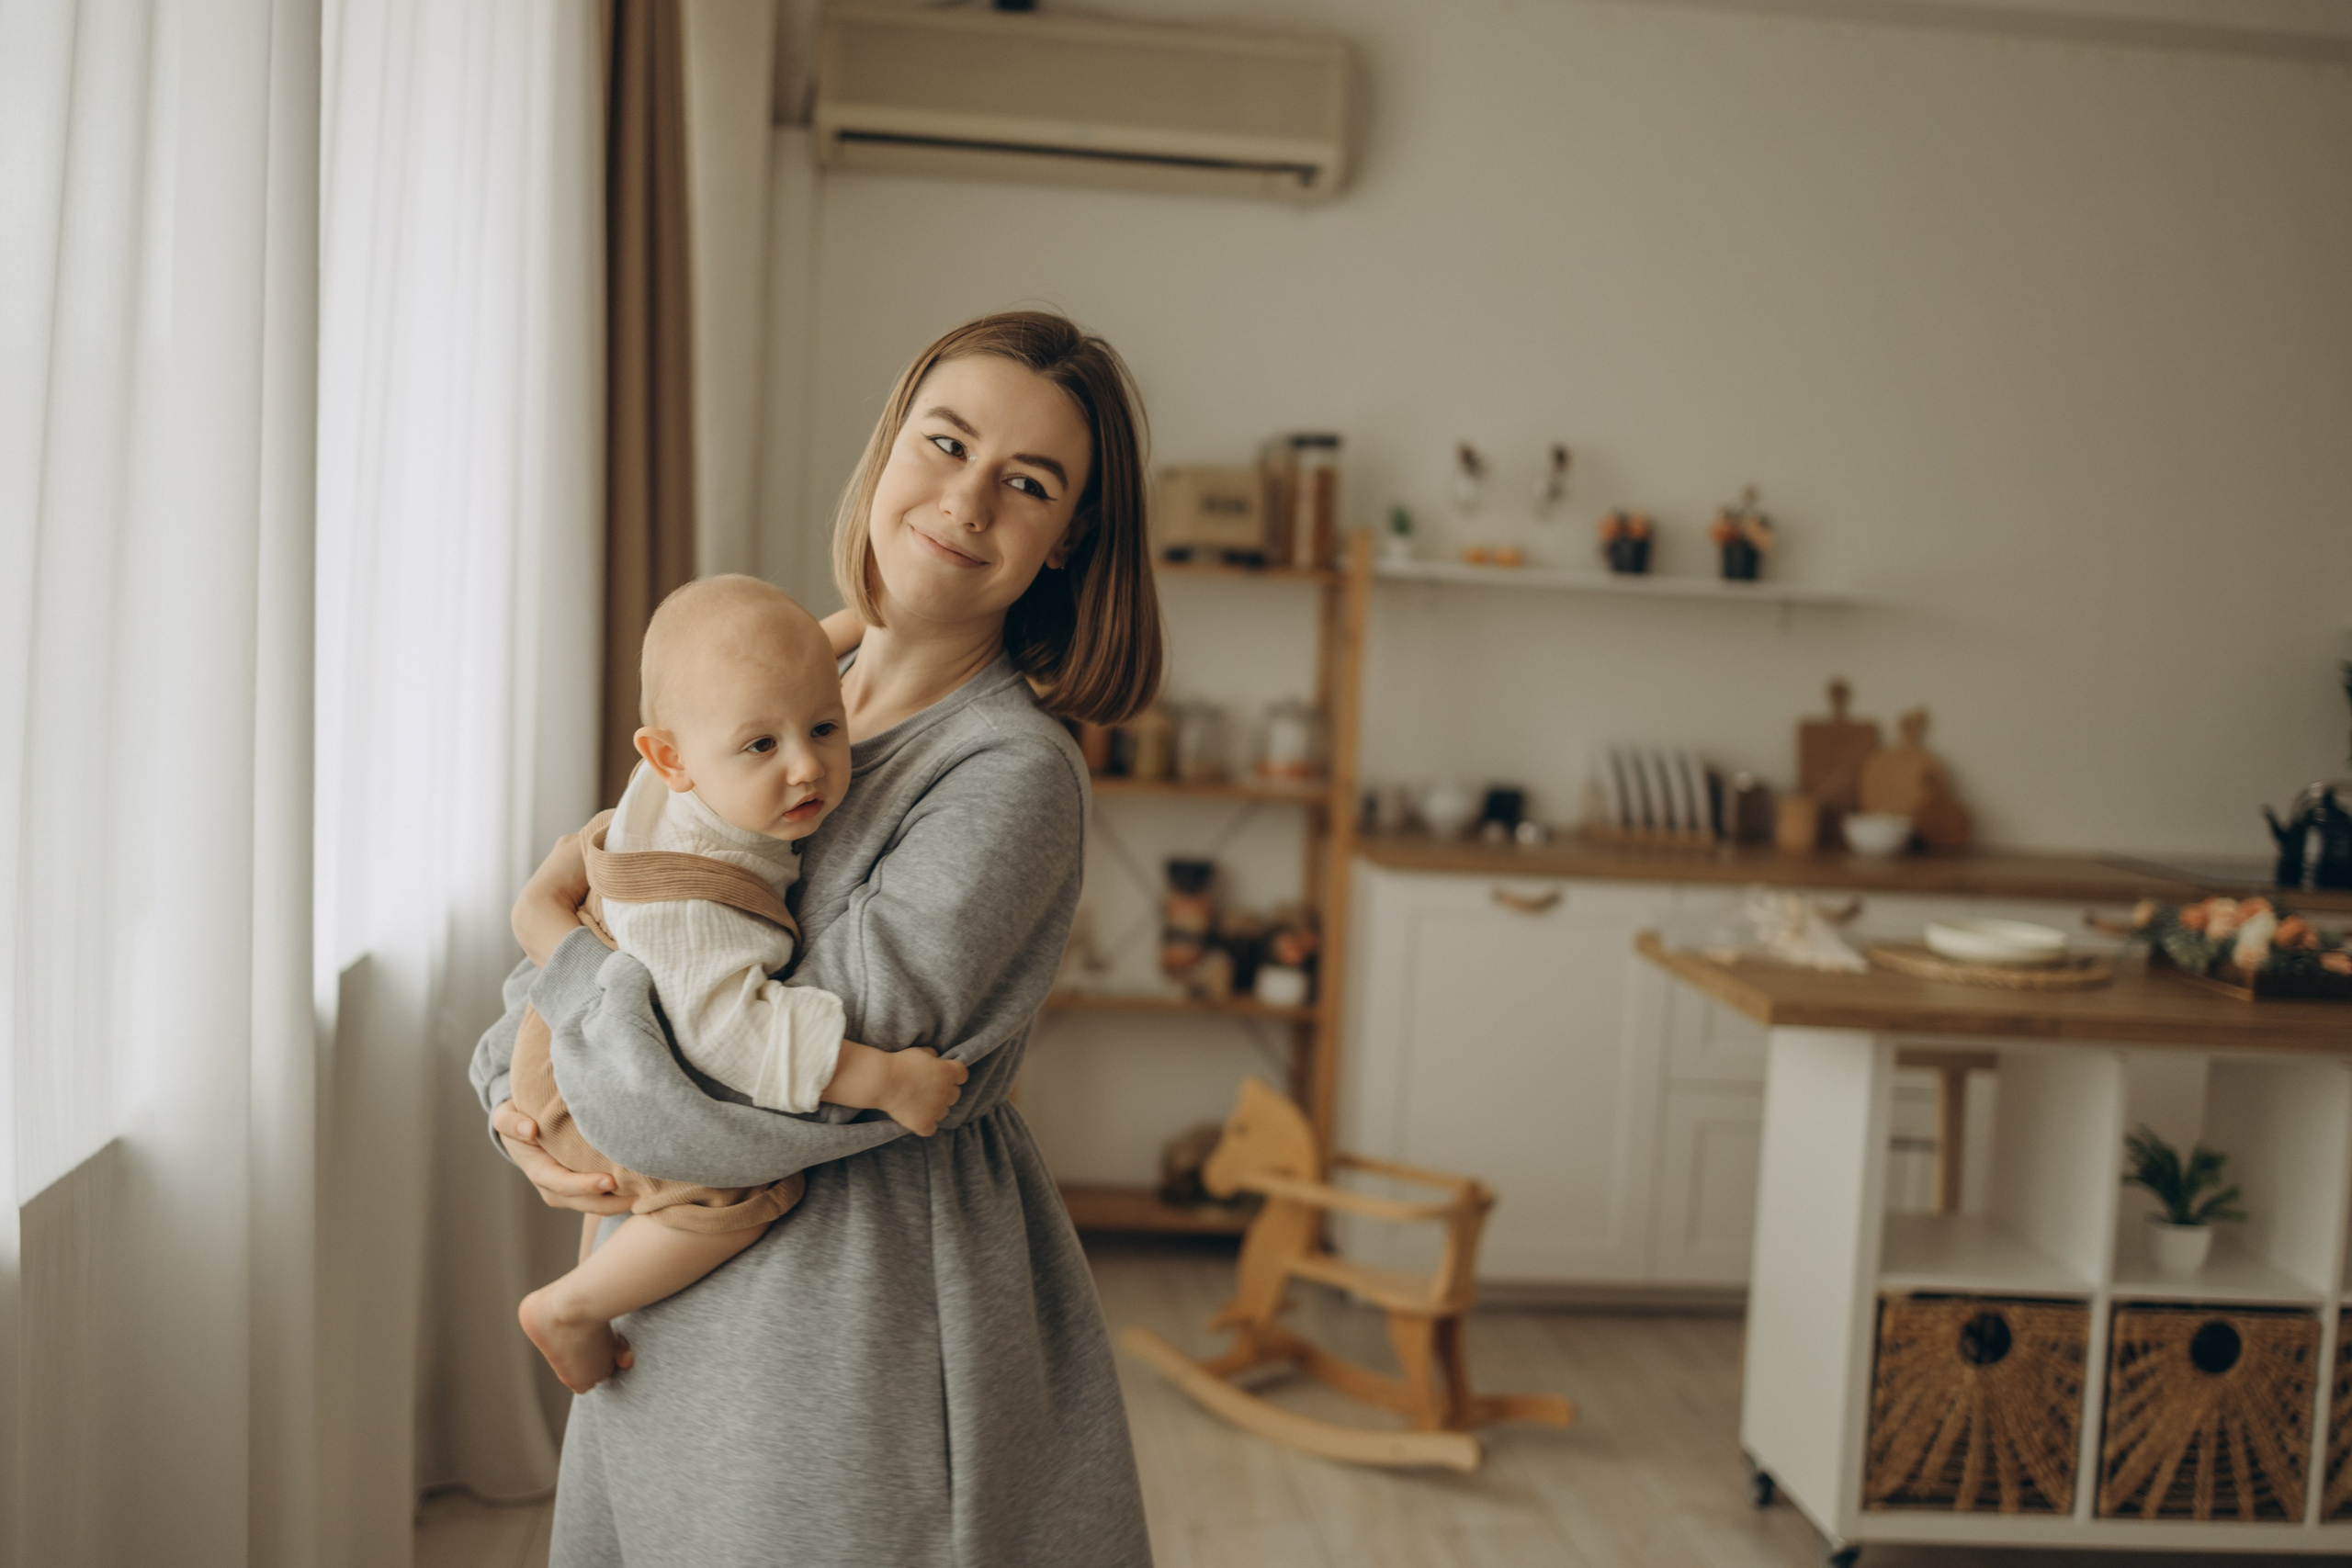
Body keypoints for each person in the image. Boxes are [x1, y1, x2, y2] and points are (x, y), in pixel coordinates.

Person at [470, 309, 1162, 1567]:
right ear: (889, 447)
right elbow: (635, 914)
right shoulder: (777, 684)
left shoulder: (1007, 774)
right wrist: (517, 1106)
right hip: (660, 1312)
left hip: (840, 1325)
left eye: (1028, 483)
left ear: (1068, 540)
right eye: (945, 443)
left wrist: (562, 996)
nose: (966, 500)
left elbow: (760, 1077)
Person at [510, 574, 968, 1395]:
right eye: (762, 746)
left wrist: (871, 617)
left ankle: (592, 1276)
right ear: (669, 758)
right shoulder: (701, 901)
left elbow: (790, 669)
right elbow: (732, 1032)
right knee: (739, 1195)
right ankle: (572, 1305)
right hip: (595, 1066)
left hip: (585, 1038)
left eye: (825, 726)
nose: (807, 766)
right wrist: (885, 1080)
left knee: (639, 1184)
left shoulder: (699, 750)